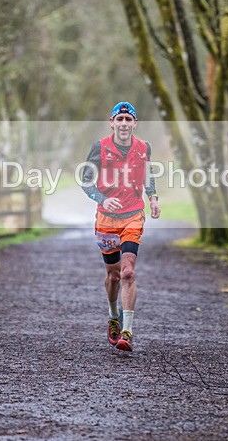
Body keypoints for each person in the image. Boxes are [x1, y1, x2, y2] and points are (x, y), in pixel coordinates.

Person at [82, 101, 160, 352]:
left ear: (135, 124)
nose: (124, 124)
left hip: (133, 217)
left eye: (129, 120)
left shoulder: (144, 148)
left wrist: (153, 198)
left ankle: (128, 331)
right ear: (112, 123)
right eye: (120, 120)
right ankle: (113, 316)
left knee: (128, 272)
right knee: (113, 275)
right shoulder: (99, 147)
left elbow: (148, 175)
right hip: (106, 219)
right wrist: (103, 199)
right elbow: (85, 182)